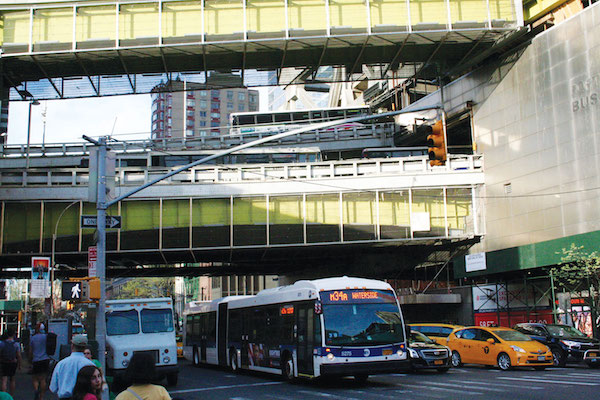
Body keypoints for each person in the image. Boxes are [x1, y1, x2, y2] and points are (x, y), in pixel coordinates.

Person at [49, 334, 95, 400]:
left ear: (72, 346)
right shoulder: (90, 365)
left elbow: (53, 388)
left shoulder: (61, 364)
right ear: (85, 347)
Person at [29, 323, 51, 400]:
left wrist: (30, 359)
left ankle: (36, 390)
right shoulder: (46, 337)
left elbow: (31, 350)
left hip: (36, 360)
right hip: (45, 359)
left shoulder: (33, 338)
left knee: (35, 378)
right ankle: (41, 396)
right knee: (43, 379)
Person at [0, 328, 21, 396]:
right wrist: (19, 365)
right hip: (13, 362)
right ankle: (11, 395)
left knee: (4, 380)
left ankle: (4, 395)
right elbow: (18, 355)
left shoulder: (2, 343)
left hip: (4, 362)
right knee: (12, 379)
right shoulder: (16, 344)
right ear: (13, 334)